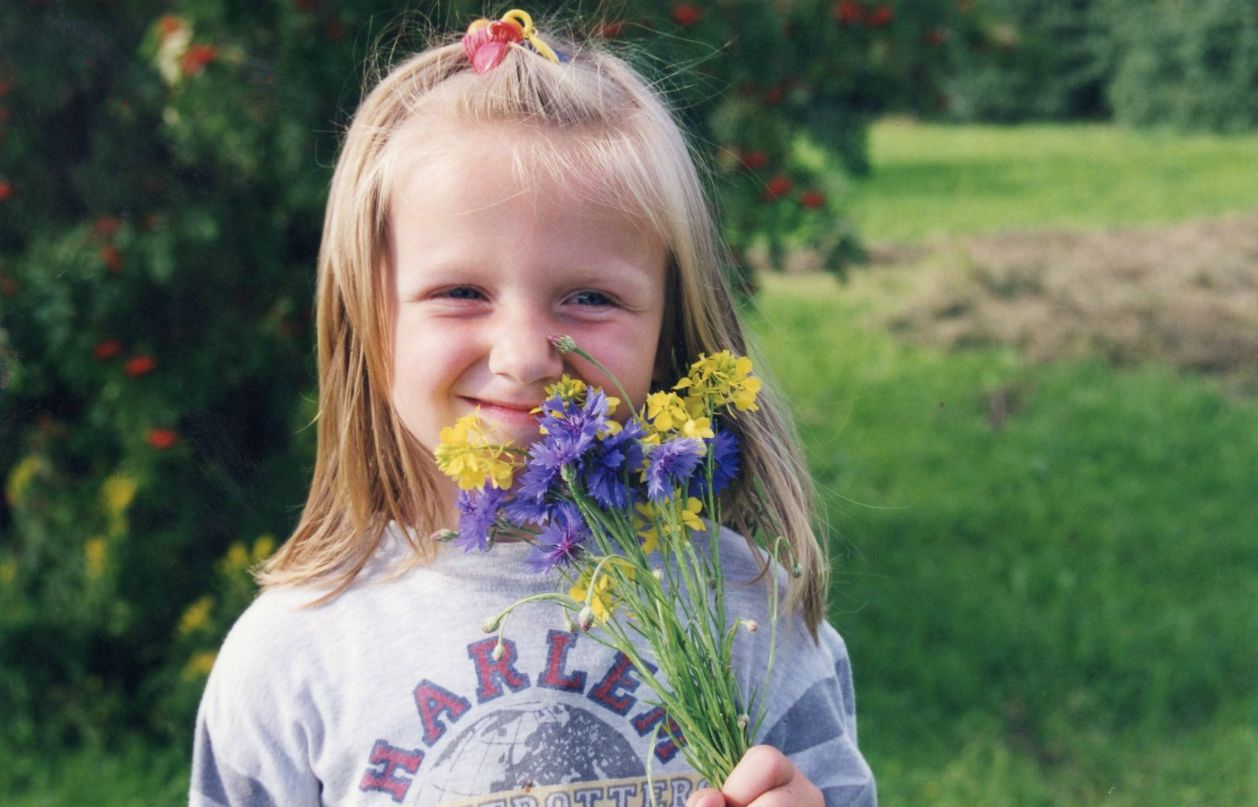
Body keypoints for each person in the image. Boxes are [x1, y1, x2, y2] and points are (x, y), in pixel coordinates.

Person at [191, 10, 876, 807]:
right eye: (460, 293)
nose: (523, 355)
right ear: (369, 319)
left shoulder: (753, 619)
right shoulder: (296, 655)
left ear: (671, 326)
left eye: (590, 298)